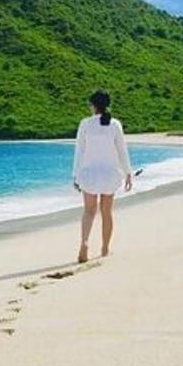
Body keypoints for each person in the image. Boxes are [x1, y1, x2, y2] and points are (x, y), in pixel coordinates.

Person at [72, 90, 132, 263]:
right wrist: (128, 172)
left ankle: (84, 243)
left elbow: (79, 151)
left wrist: (75, 175)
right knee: (107, 212)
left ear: (93, 106)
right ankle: (105, 248)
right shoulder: (115, 124)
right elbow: (122, 150)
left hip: (89, 174)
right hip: (109, 174)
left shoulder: (85, 124)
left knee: (89, 212)